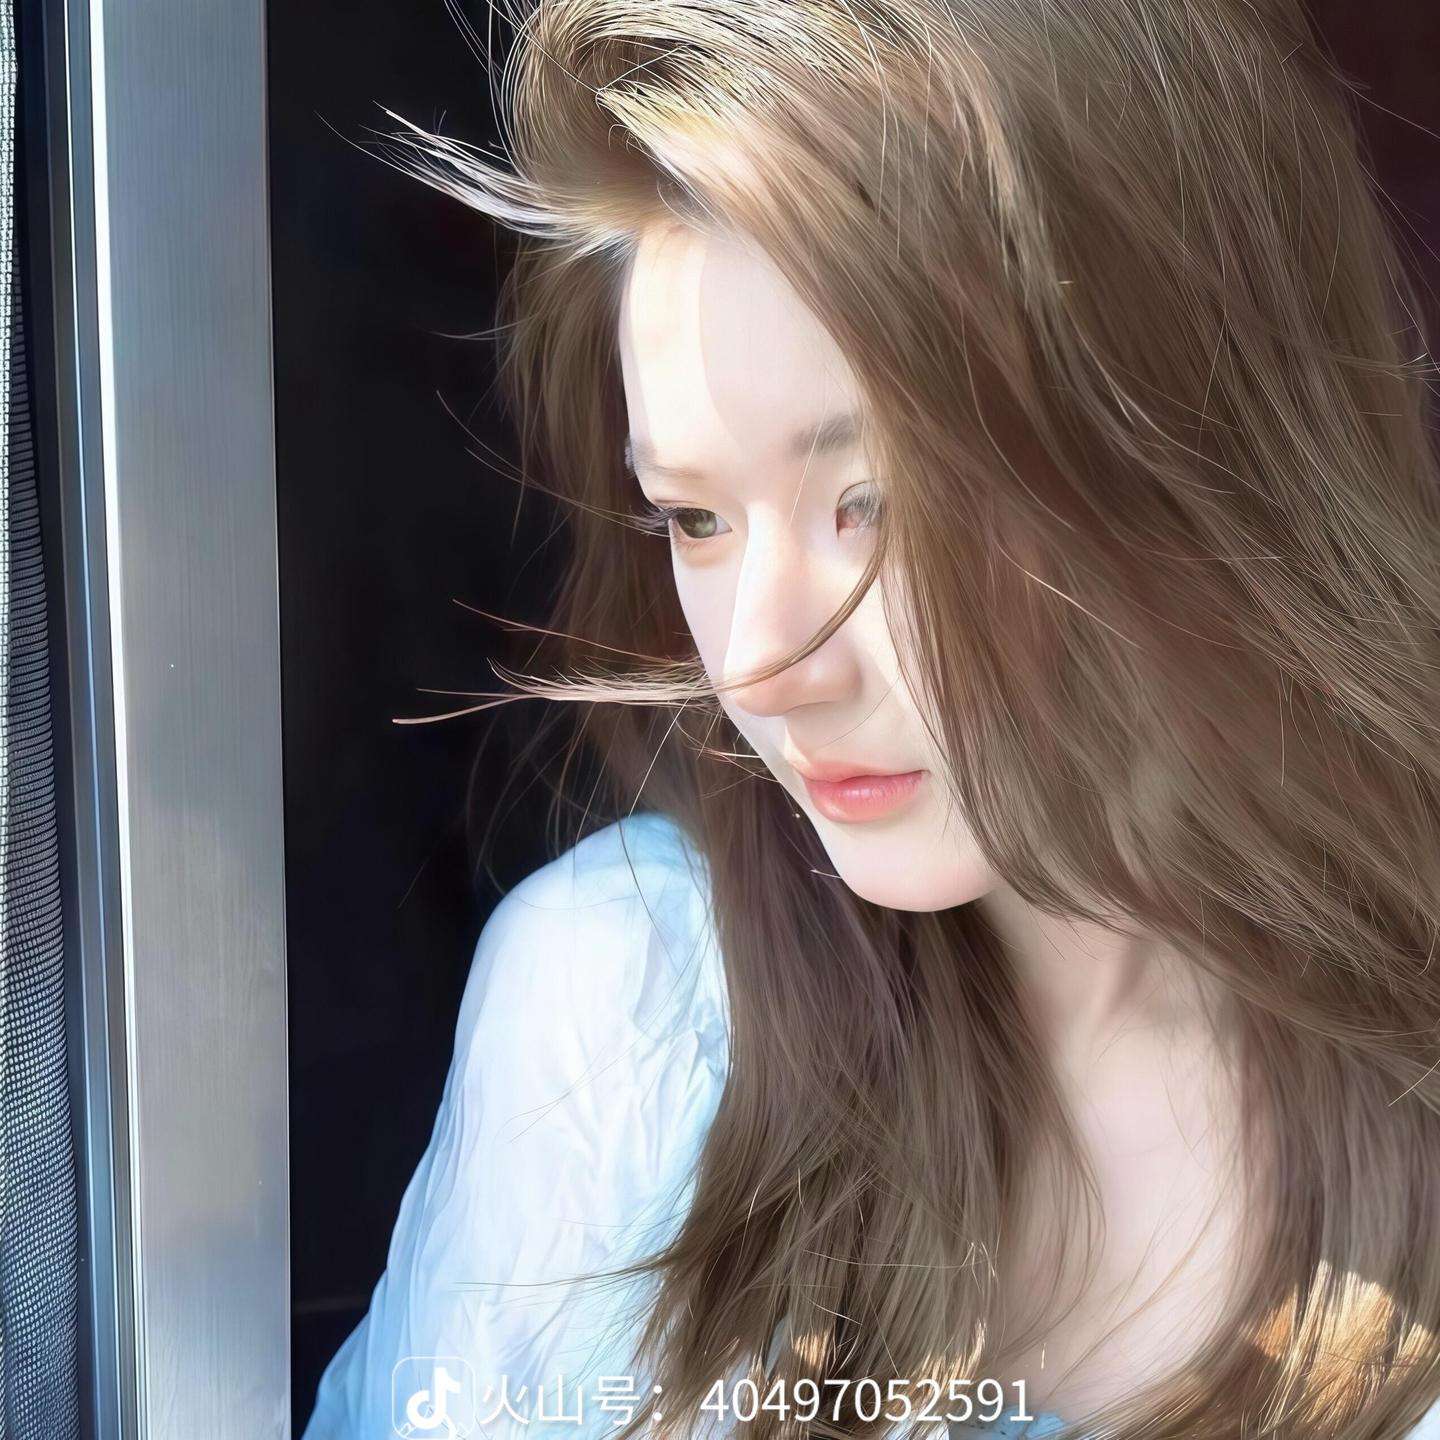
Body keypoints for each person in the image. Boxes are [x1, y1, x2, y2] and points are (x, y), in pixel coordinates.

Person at [304, 0, 1440, 1435]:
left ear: (1198, 446)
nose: (761, 664)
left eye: (875, 503)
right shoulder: (631, 1008)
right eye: (695, 518)